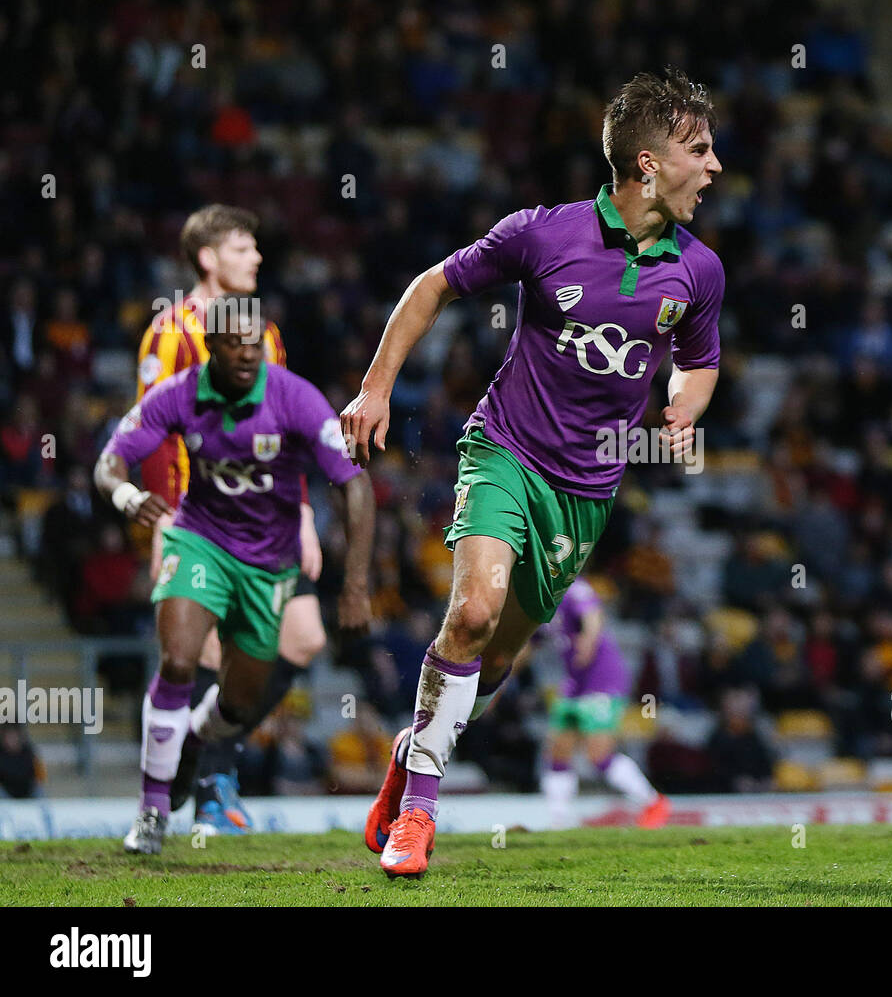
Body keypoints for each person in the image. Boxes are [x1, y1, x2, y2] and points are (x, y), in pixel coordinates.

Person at [344, 67, 723, 877]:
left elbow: (699, 360)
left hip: (586, 493)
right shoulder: (541, 234)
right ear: (649, 165)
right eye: (700, 149)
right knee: (473, 614)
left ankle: (415, 751)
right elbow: (430, 288)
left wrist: (685, 408)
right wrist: (376, 388)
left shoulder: (699, 272)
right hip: (505, 451)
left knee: (496, 663)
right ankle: (419, 817)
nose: (716, 165)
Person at [95, 303, 374, 854]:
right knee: (177, 660)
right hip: (199, 541)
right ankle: (152, 811)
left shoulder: (295, 397)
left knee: (239, 703)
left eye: (256, 342)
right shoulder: (178, 393)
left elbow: (354, 485)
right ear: (212, 347)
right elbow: (110, 460)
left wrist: (356, 584)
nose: (249, 352)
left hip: (270, 565)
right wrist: (127, 497)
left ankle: (196, 741)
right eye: (234, 342)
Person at [135, 204, 329, 833]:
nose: (257, 258)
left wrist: (301, 511)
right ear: (208, 258)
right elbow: (154, 437)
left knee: (304, 638)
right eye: (244, 248)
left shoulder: (262, 333)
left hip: (270, 520)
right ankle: (214, 788)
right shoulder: (170, 332)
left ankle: (201, 746)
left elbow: (284, 429)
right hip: (202, 523)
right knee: (208, 653)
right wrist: (163, 521)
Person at [540, 576, 670, 829]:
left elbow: (593, 619)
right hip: (575, 683)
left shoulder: (574, 587)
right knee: (558, 748)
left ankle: (653, 802)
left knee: (598, 753)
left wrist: (585, 649)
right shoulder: (536, 601)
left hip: (602, 679)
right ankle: (558, 820)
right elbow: (527, 646)